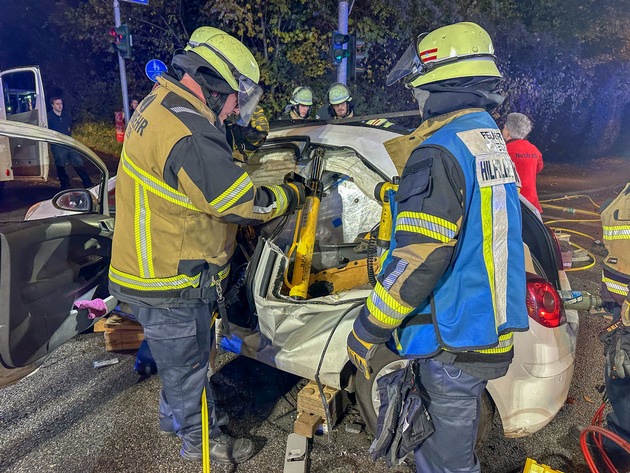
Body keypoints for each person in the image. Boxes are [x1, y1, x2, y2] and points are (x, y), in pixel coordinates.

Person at [108, 26, 305, 464]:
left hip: (153, 267)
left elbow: (197, 164)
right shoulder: (190, 131)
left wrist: (234, 138)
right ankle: (204, 446)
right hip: (168, 279)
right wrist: (288, 196)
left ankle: (173, 417)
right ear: (214, 86)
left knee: (182, 365)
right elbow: (236, 201)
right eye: (235, 97)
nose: (237, 107)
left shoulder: (165, 104)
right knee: (189, 371)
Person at [346, 22, 529, 473]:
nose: (417, 99)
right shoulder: (486, 138)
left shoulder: (439, 149)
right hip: (482, 327)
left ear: (437, 85)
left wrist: (368, 328)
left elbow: (418, 260)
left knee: (448, 466)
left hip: (453, 337)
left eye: (419, 89)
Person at [570, 183, 630, 466]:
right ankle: (612, 445)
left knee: (624, 386)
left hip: (627, 316)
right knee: (619, 384)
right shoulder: (623, 194)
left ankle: (612, 455)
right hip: (620, 311)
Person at [47, 96, 93, 190]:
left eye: (61, 104)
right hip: (58, 145)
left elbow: (69, 127)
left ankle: (87, 183)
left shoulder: (66, 115)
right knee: (60, 164)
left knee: (78, 161)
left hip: (69, 143)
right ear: (52, 105)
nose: (60, 106)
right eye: (57, 104)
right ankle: (65, 185)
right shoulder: (49, 117)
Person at [502, 112, 544, 212]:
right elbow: (539, 168)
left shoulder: (504, 151)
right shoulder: (534, 149)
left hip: (512, 203)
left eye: (504, 127)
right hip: (531, 203)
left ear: (508, 133)